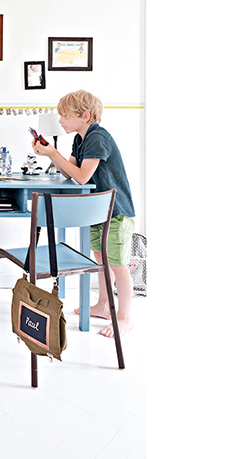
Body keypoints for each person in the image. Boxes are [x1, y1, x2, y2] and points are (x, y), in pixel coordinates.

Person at [32, 90, 136, 338]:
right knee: (100, 260)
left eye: (65, 116)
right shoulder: (80, 139)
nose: (60, 121)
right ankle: (103, 306)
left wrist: (53, 154)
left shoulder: (97, 137)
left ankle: (125, 317)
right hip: (98, 210)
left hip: (116, 212)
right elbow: (69, 171)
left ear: (84, 116)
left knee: (117, 265)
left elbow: (81, 176)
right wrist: (50, 153)